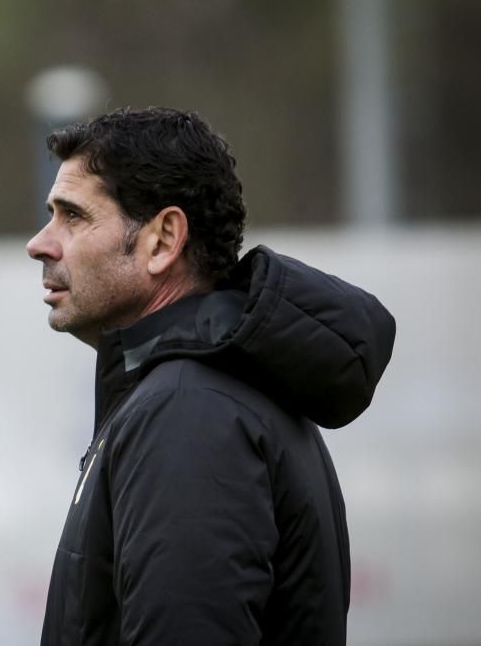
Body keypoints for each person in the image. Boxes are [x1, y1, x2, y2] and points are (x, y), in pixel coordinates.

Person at [26, 107, 395, 645]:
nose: (41, 242)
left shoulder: (188, 414)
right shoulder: (202, 394)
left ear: (162, 240)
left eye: (74, 216)